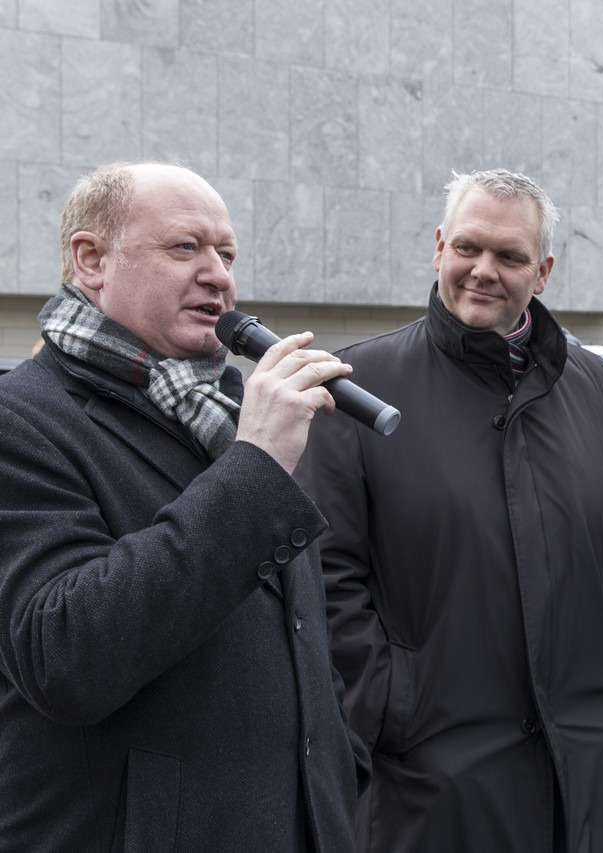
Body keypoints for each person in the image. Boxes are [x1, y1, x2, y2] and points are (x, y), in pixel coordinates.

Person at [293, 168, 603, 853]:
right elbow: (328, 575)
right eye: (468, 247)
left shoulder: (593, 385)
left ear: (543, 271)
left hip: (589, 762)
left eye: (510, 256)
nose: (483, 270)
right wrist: (389, 704)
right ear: (438, 247)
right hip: (435, 774)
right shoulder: (357, 386)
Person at [0, 162, 364, 851]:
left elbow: (302, 636)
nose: (218, 274)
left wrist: (340, 774)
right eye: (183, 247)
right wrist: (254, 467)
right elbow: (64, 655)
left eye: (226, 253)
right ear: (90, 259)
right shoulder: (23, 420)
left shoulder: (224, 413)